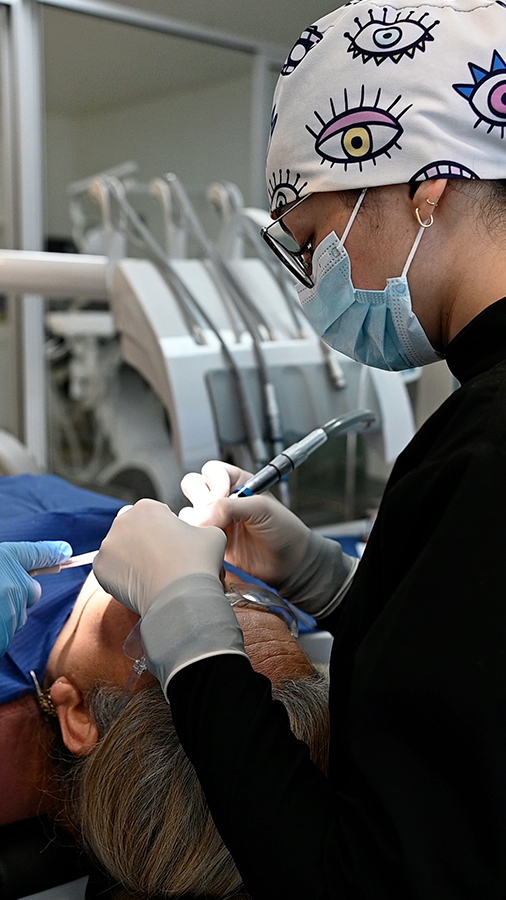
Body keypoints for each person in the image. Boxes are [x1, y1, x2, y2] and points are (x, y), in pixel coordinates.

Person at [92, 2, 506, 898]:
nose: (319, 282)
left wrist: (192, 632)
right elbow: (474, 684)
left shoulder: (485, 447)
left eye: (316, 240)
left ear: (424, 186)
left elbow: (365, 879)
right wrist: (332, 581)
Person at [0, 475, 330, 899]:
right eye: (239, 597)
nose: (210, 576)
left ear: (78, 714)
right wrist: (320, 572)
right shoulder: (273, 581)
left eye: (175, 624)